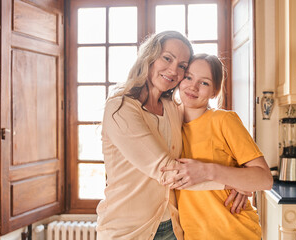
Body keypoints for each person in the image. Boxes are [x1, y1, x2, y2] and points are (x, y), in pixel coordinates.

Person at [96, 31, 228, 240]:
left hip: (173, 227)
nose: (174, 70)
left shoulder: (173, 109)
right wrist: (232, 182)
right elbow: (166, 170)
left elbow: (205, 140)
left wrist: (238, 177)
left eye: (182, 66)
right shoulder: (120, 108)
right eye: (167, 58)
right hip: (128, 231)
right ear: (149, 57)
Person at [161, 54, 273, 239]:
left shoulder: (224, 121)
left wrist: (208, 170)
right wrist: (235, 182)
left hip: (236, 233)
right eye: (188, 77)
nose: (193, 87)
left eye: (204, 83)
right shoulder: (168, 123)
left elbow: (264, 179)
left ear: (215, 91)